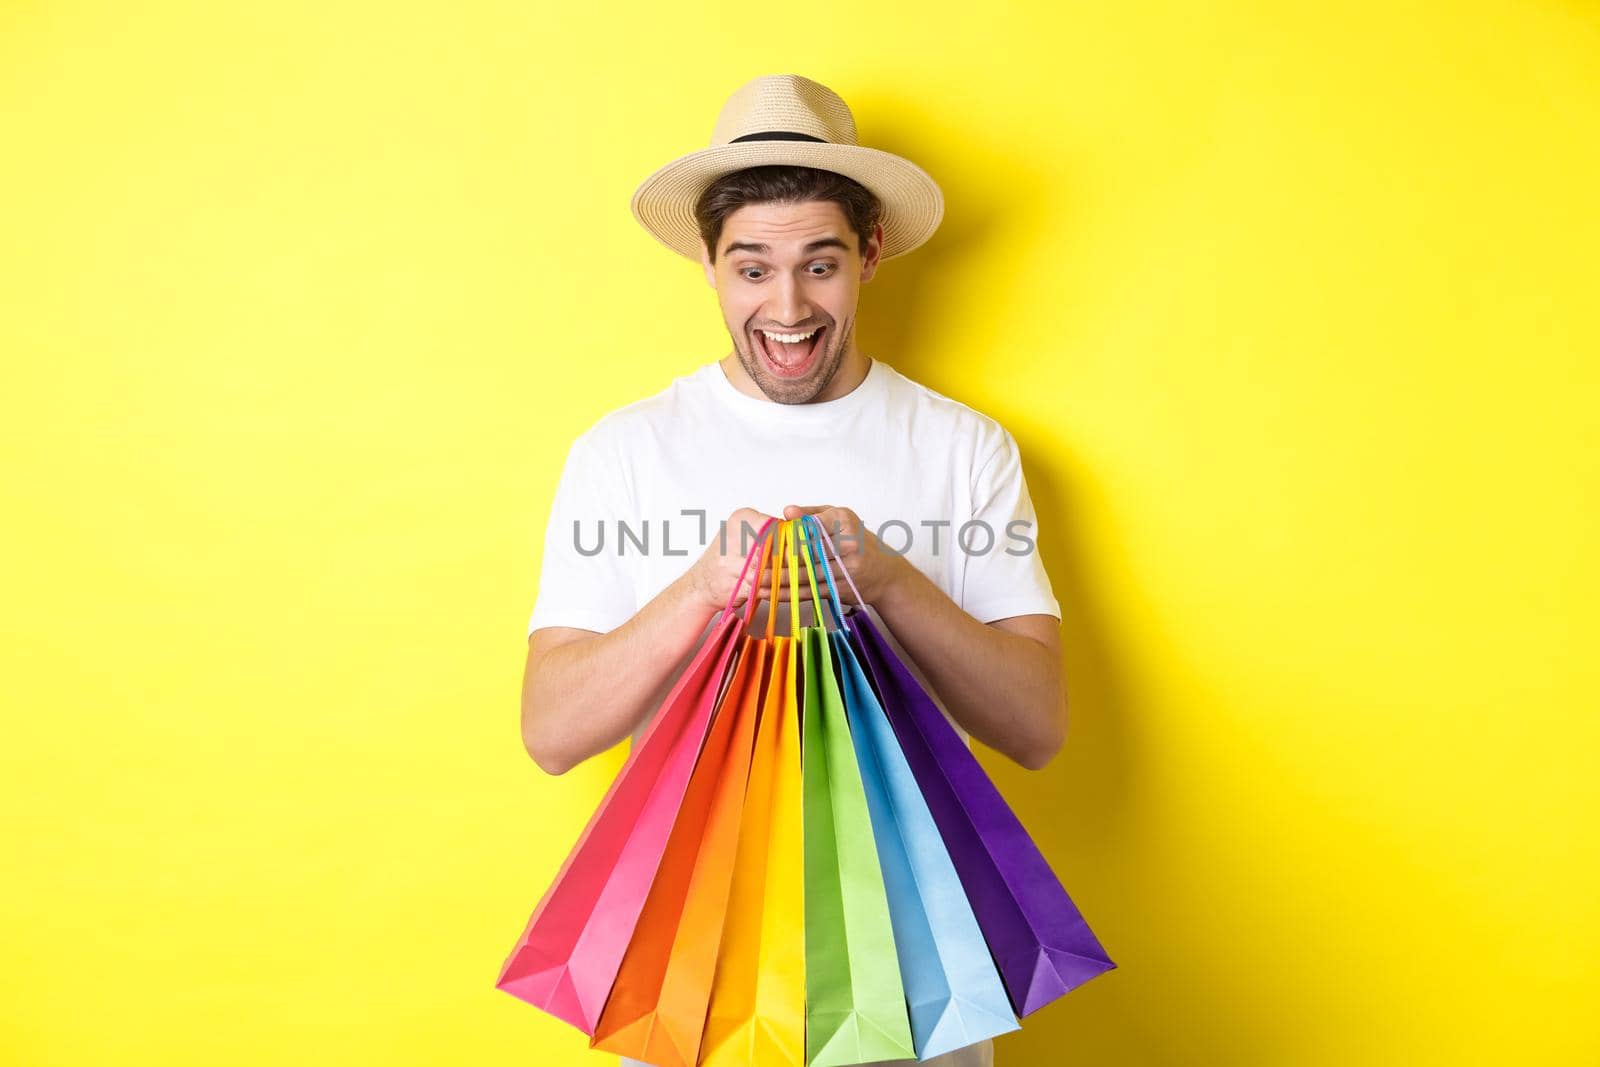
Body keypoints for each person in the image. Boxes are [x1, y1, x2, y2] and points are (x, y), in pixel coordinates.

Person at [520, 73, 1065, 1067]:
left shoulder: (962, 447)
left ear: (869, 251)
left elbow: (1035, 727)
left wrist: (891, 579)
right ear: (708, 262)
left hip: (919, 976)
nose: (786, 305)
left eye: (819, 264)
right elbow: (552, 732)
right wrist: (696, 589)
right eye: (752, 267)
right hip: (695, 974)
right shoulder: (624, 451)